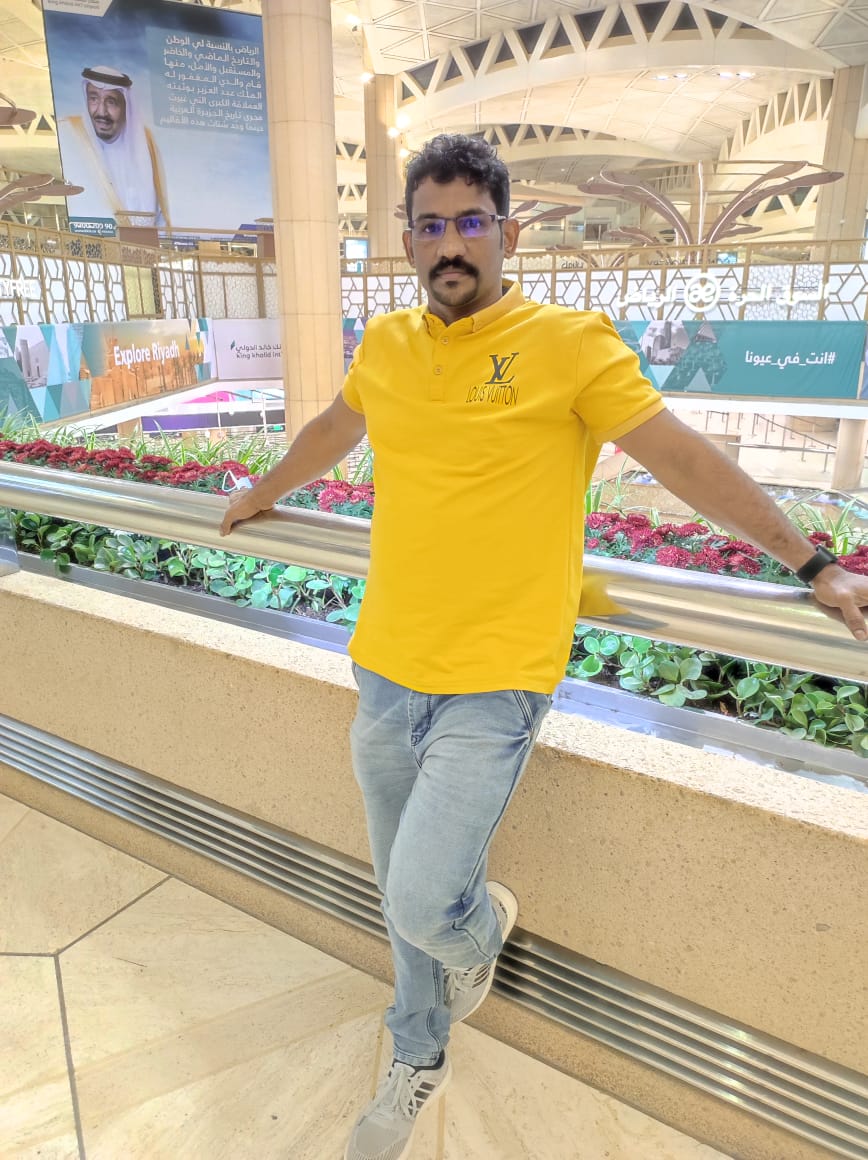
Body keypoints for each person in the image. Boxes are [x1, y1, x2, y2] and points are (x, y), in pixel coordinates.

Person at [220, 134, 868, 1160]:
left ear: (507, 234)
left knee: (426, 898)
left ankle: (479, 928)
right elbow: (335, 429)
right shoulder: (384, 343)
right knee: (398, 900)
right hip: (385, 665)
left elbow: (683, 459)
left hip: (497, 680)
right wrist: (258, 491)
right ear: (406, 239)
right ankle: (417, 1048)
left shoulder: (568, 343)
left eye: (469, 222)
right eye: (430, 225)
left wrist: (814, 562)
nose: (449, 244)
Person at [63, 66, 169, 229]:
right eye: (93, 99)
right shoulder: (68, 133)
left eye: (111, 102)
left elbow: (159, 215)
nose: (101, 112)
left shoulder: (144, 140)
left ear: (125, 106)